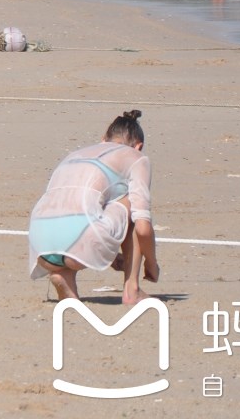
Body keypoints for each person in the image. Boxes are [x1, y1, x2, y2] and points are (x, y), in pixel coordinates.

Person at [28, 109, 157, 306]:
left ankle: (63, 275)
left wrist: (113, 257)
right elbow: (142, 228)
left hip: (41, 247)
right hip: (79, 245)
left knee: (85, 205)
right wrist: (151, 262)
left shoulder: (75, 154)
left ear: (104, 139)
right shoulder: (136, 157)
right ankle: (132, 288)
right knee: (133, 202)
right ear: (138, 147)